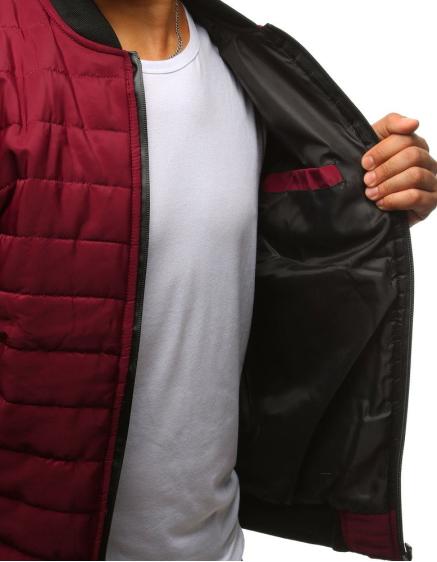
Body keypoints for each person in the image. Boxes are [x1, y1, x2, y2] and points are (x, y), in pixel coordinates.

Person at [0, 1, 436, 561]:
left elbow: (255, 264)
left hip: (214, 546)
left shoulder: (249, 64)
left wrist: (363, 196)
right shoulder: (13, 54)